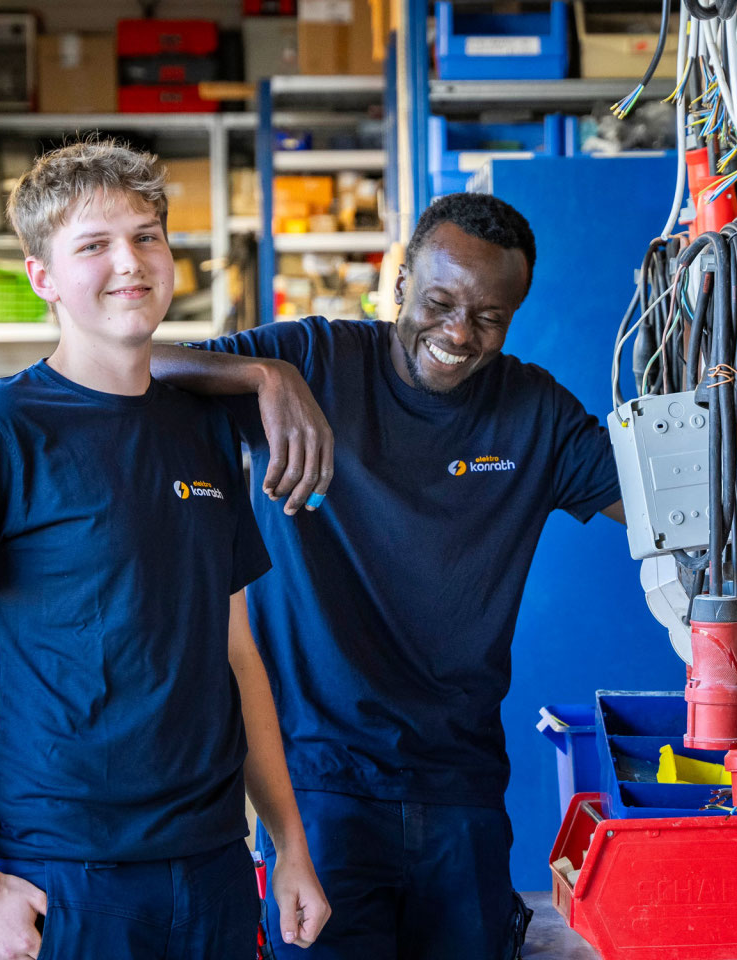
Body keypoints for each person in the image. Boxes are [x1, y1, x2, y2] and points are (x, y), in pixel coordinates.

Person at [0, 139, 333, 960]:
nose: (132, 262)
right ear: (42, 276)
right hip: (63, 874)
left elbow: (237, 654)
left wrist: (287, 841)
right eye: (95, 245)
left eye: (148, 235)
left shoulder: (203, 432)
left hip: (212, 863)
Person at [151, 192, 626, 959]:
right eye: (439, 302)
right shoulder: (312, 359)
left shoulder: (533, 411)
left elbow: (666, 506)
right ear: (400, 280)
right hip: (320, 787)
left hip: (462, 785)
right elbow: (131, 366)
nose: (459, 334)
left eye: (489, 318)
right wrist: (262, 377)